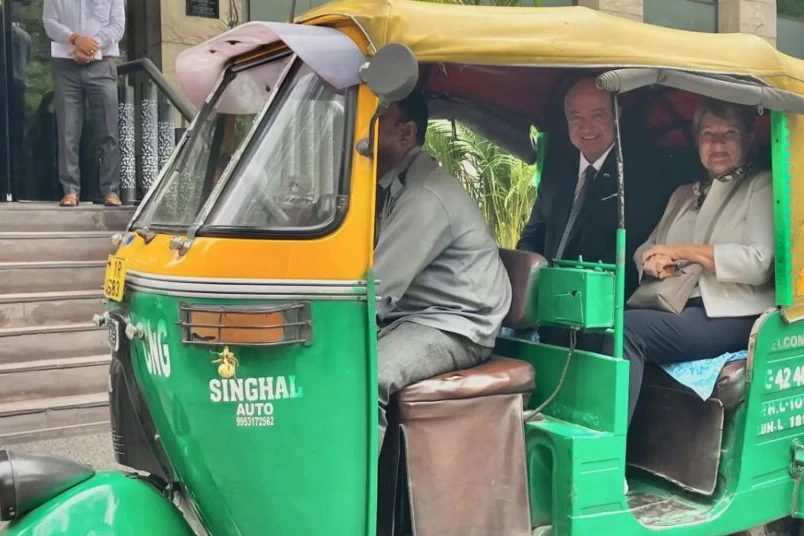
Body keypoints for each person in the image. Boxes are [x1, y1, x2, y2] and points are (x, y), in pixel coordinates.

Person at [603, 98, 774, 424]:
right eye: (708, 134)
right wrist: (652, 262)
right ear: (697, 142)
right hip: (677, 305)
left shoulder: (760, 186)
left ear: (748, 139)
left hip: (732, 313)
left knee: (627, 332)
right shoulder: (684, 194)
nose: (718, 144)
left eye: (729, 133)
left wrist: (682, 251)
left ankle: (611, 447)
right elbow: (646, 247)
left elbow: (759, 263)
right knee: (601, 323)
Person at [374, 90, 512, 450]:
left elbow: (376, 288)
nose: (362, 133)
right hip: (415, 316)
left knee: (367, 377)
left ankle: (350, 485)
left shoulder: (425, 195)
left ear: (406, 134)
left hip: (457, 325)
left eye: (374, 121)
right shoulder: (394, 185)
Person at [517, 77, 670, 348]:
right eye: (576, 118)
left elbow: (632, 249)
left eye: (597, 115)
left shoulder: (641, 172)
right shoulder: (558, 165)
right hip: (549, 305)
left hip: (604, 310)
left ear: (616, 116)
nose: (586, 127)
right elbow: (534, 234)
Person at [43, 0, 125, 207]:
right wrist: (75, 39)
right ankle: (70, 190)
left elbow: (117, 26)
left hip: (103, 64)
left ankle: (110, 190)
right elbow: (49, 22)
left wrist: (91, 46)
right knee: (67, 131)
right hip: (66, 66)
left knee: (108, 130)